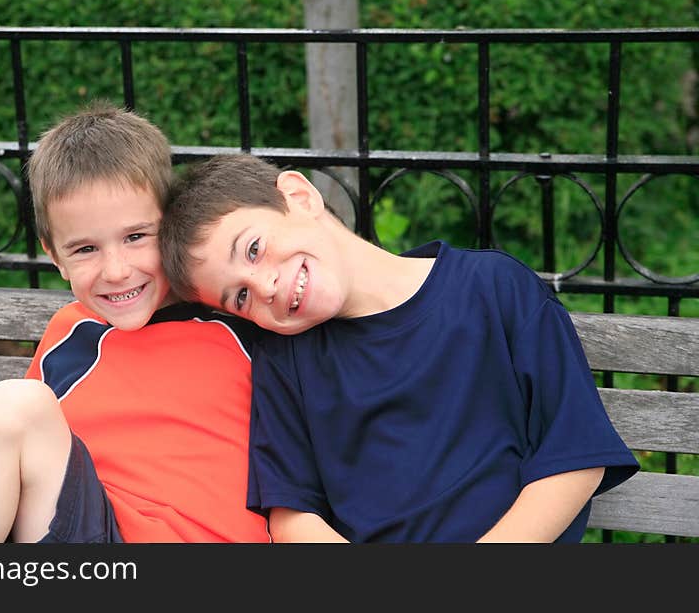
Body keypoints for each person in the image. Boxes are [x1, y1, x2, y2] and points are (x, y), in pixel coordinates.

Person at [158, 153, 640, 543]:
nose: (263, 286)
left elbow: (575, 459)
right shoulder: (286, 360)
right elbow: (292, 517)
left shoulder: (493, 289)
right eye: (239, 296)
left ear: (300, 197)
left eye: (254, 249)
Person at [0, 104, 269, 543]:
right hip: (99, 539)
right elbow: (30, 475)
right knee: (11, 407)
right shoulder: (69, 338)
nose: (116, 270)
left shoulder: (236, 321)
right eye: (85, 249)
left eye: (135, 237)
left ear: (171, 226)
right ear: (54, 256)